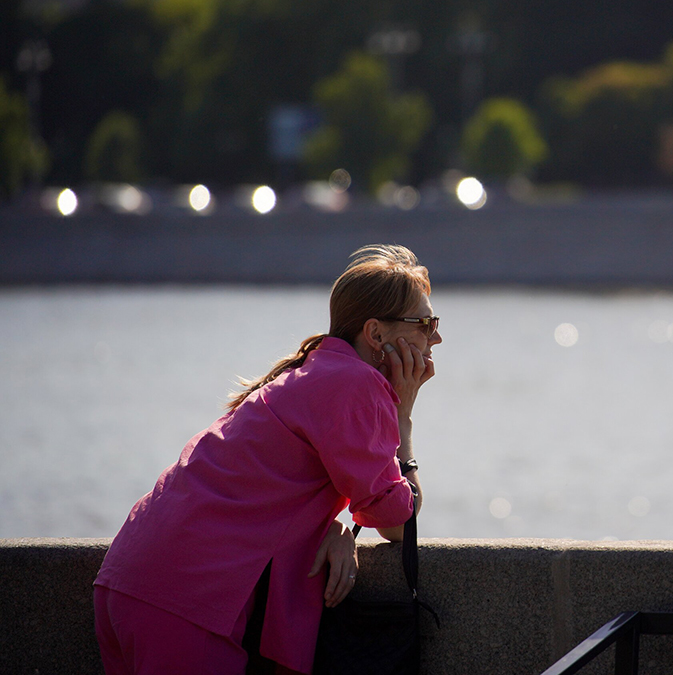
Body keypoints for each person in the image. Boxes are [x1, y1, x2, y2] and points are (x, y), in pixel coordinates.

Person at [93, 244, 442, 674]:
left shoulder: (315, 374)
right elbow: (396, 521)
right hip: (187, 600)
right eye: (425, 323)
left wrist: (335, 527)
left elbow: (267, 488)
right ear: (375, 334)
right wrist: (403, 418)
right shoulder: (355, 384)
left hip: (131, 580)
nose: (436, 338)